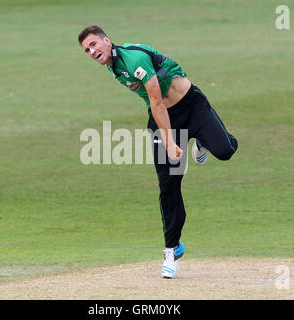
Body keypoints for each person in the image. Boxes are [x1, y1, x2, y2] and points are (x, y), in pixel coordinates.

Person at [78, 25, 238, 278]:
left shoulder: (133, 59)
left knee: (226, 150)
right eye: (87, 50)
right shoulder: (112, 67)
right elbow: (155, 106)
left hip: (191, 105)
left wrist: (170, 140)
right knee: (169, 185)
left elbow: (156, 100)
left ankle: (201, 142)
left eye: (94, 44)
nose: (92, 51)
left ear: (107, 41)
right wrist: (168, 138)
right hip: (162, 117)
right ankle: (172, 250)